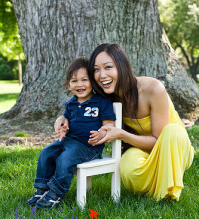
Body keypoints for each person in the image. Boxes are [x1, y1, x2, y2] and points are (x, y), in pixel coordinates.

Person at [55, 44, 195, 201]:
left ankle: (167, 194)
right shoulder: (105, 98)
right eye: (96, 70)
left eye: (108, 67)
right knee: (128, 168)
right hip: (141, 151)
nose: (102, 75)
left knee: (172, 131)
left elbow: (158, 141)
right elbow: (79, 105)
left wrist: (122, 135)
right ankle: (162, 181)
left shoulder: (153, 89)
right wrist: (63, 118)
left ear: (122, 66)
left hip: (172, 148)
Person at [27, 57, 116, 208]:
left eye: (84, 80)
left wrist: (101, 134)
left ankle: (56, 192)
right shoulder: (71, 103)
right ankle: (43, 188)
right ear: (68, 85)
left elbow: (109, 125)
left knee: (65, 159)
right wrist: (63, 127)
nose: (79, 84)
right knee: (46, 153)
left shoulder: (102, 102)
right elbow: (67, 121)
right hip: (69, 141)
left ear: (92, 82)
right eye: (74, 81)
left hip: (88, 146)